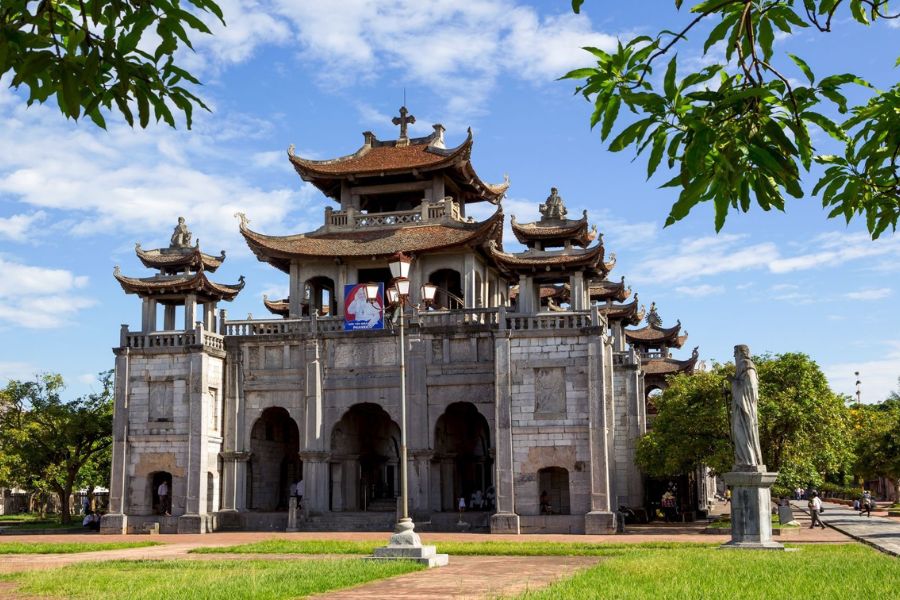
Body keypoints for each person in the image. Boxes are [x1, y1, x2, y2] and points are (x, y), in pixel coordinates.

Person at [731, 345, 764, 467]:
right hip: (740, 406)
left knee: (742, 432)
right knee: (737, 432)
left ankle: (749, 461)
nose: (734, 355)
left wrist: (733, 382)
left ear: (741, 353)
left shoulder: (746, 364)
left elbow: (750, 387)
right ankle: (744, 461)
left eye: (735, 352)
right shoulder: (741, 366)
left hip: (746, 407)